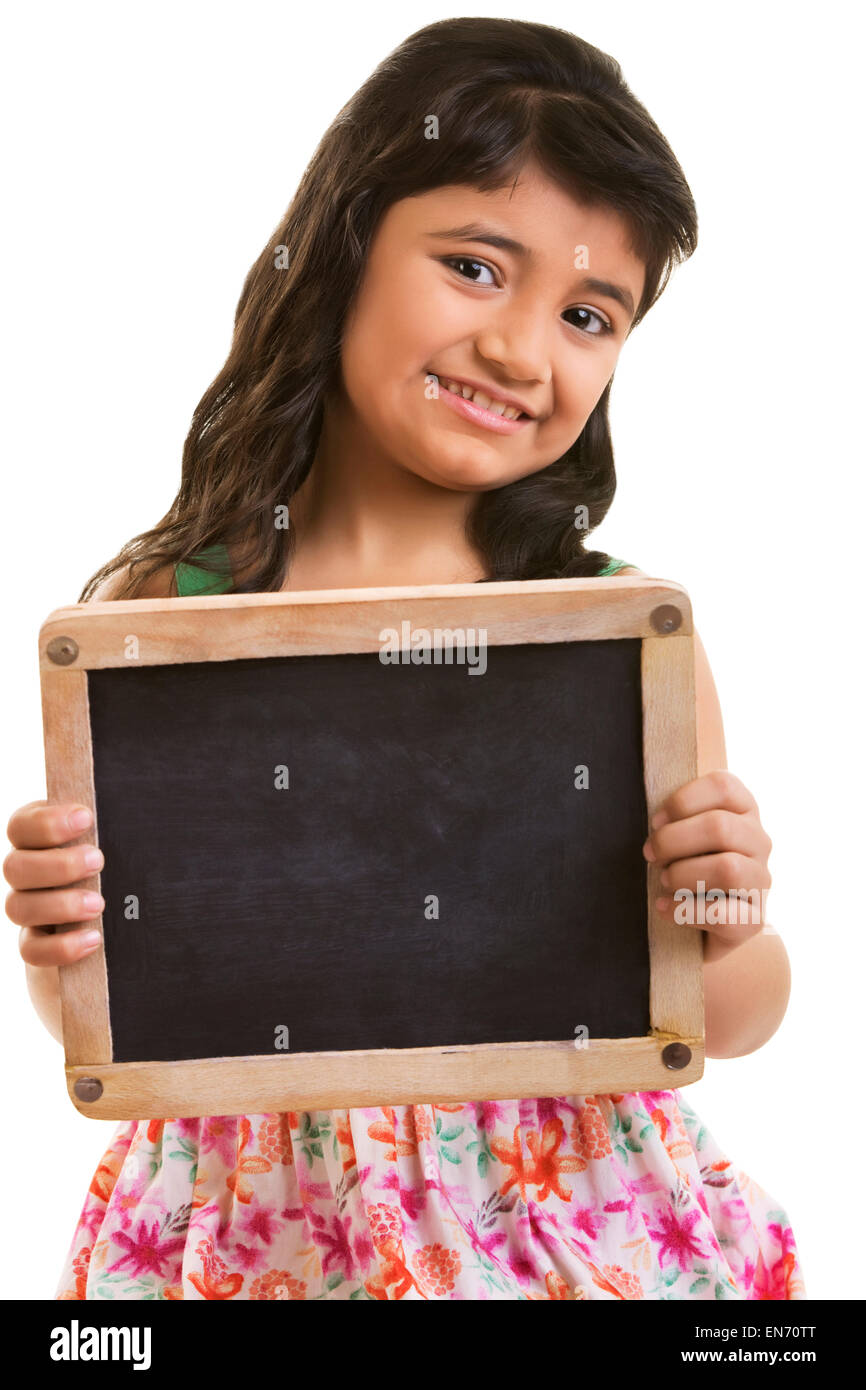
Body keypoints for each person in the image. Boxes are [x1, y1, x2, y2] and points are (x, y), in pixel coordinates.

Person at [6, 17, 805, 1300]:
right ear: (344, 246)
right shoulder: (172, 613)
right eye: (477, 270)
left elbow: (735, 1009)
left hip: (559, 1218)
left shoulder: (612, 631)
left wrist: (718, 911)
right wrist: (63, 941)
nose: (520, 350)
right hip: (251, 1229)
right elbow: (124, 1016)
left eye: (588, 314)